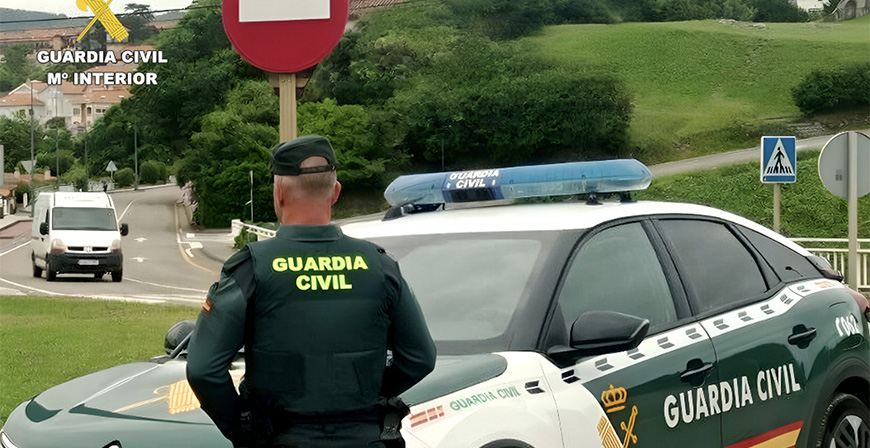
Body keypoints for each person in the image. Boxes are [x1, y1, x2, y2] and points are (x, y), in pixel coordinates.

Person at [186, 135, 437, 448]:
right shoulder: (379, 265)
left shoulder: (252, 267)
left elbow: (203, 370)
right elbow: (420, 359)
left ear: (278, 193)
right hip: (365, 437)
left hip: (281, 437)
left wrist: (241, 428)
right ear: (335, 193)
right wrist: (364, 389)